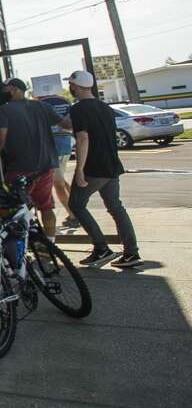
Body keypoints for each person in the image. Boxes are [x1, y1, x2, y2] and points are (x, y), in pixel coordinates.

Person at [66, 70, 142, 268]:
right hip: (112, 166)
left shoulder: (78, 109)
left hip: (93, 167)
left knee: (76, 204)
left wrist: (80, 169)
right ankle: (131, 253)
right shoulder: (105, 108)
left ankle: (101, 249)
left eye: (71, 85)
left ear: (76, 87)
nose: (70, 88)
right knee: (116, 207)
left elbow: (83, 138)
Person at [0, 78, 71, 236]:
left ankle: (26, 244)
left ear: (15, 89)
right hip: (45, 166)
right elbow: (66, 125)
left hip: (19, 168)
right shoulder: (43, 106)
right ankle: (49, 243)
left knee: (16, 208)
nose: (2, 92)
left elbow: (1, 139)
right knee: (46, 206)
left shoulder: (4, 110)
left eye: (5, 89)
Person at [37, 92, 78, 228]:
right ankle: (76, 210)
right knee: (61, 178)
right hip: (65, 144)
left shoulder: (42, 104)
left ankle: (74, 215)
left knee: (58, 183)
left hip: (52, 147)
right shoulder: (64, 101)